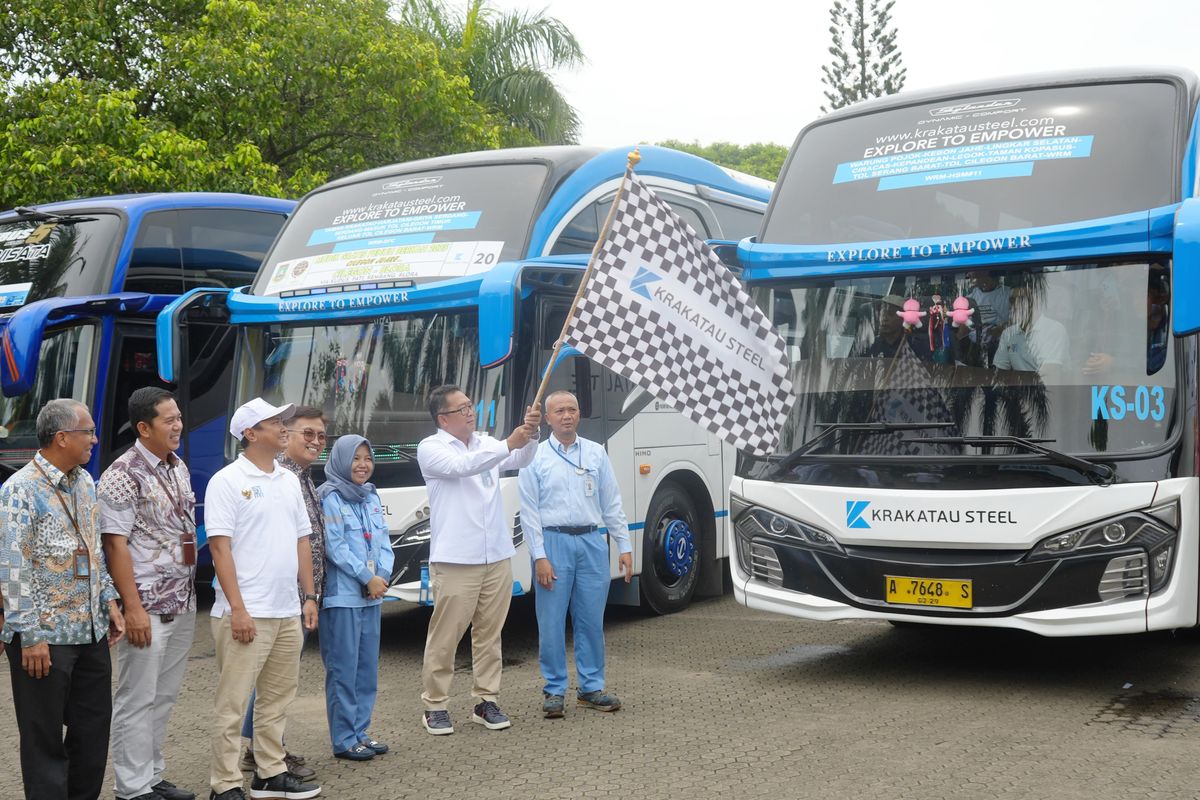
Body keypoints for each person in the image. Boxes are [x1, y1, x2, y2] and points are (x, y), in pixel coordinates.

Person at [0, 398, 126, 800]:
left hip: (89, 632)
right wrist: (31, 636)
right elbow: (12, 565)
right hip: (44, 639)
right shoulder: (19, 490)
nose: (94, 438)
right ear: (61, 437)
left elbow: (91, 548)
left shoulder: (85, 482)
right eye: (88, 431)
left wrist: (108, 601)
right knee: (44, 742)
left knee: (92, 733)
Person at [205, 398, 321, 800]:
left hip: (287, 609)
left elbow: (302, 541)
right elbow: (220, 550)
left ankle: (269, 774)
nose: (284, 427)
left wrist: (308, 596)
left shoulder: (288, 481)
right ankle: (225, 783)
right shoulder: (226, 480)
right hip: (245, 613)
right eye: (275, 422)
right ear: (250, 433)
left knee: (276, 700)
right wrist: (237, 608)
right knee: (233, 704)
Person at [416, 385, 540, 735]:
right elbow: (463, 467)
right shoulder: (432, 448)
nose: (470, 412)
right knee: (445, 636)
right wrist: (508, 443)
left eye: (471, 405)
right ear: (443, 418)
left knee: (490, 633)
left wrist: (530, 434)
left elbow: (521, 458)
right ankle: (435, 704)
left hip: (496, 556)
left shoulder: (485, 442)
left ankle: (487, 700)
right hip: (456, 560)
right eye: (462, 409)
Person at [99, 388, 198, 800]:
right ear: (144, 427)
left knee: (164, 695)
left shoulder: (178, 467)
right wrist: (132, 608)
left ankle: (154, 775)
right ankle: (132, 788)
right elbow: (114, 544)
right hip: (148, 607)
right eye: (168, 420)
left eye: (178, 417)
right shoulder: (123, 473)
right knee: (136, 698)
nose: (178, 425)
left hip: (184, 601)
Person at [518, 390, 632, 719]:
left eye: (573, 409)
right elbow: (529, 513)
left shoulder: (596, 454)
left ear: (579, 414)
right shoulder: (533, 458)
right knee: (551, 622)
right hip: (553, 545)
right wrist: (539, 556)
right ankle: (554, 690)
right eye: (559, 411)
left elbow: (611, 503)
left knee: (591, 622)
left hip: (591, 543)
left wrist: (623, 545)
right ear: (548, 419)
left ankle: (591, 687)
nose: (567, 415)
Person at [239, 407, 327, 782]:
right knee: (270, 682)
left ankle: (261, 748)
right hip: (277, 599)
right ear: (285, 436)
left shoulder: (300, 476)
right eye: (307, 433)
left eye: (321, 436)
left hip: (299, 598)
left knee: (277, 681)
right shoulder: (275, 478)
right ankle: (261, 752)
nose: (316, 442)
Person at [318, 435, 393, 760]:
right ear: (340, 460)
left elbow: (384, 541)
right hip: (344, 598)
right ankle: (344, 738)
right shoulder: (329, 496)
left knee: (366, 670)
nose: (363, 465)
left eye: (368, 458)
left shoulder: (371, 496)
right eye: (356, 458)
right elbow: (335, 547)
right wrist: (367, 577)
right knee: (343, 670)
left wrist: (383, 578)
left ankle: (361, 731)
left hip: (373, 595)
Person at [992, 286, 1070, 379]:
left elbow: (1049, 376)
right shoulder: (1008, 333)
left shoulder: (1054, 329)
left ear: (1036, 302)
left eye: (1022, 300)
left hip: (1048, 391)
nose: (1016, 305)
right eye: (1012, 300)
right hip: (1019, 390)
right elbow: (999, 373)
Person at [966, 270, 1011, 363]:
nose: (968, 275)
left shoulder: (1007, 294)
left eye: (972, 271)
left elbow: (1017, 321)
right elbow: (965, 328)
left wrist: (1000, 329)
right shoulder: (970, 298)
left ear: (985, 272)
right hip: (975, 348)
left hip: (1002, 346)